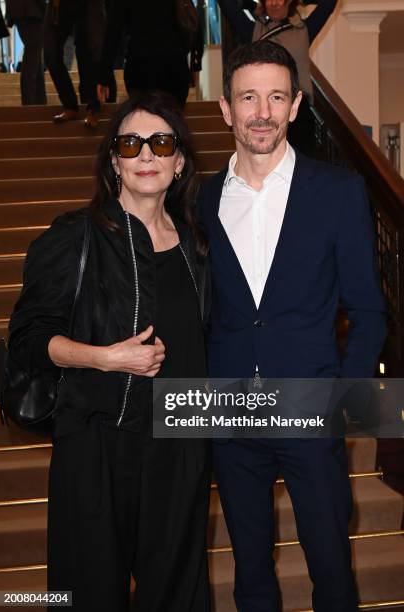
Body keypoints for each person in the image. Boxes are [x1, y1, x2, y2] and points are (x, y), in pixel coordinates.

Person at [196, 40, 386, 611]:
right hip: (231, 417)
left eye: (276, 97)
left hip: (311, 408)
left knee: (331, 565)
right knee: (250, 571)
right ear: (226, 108)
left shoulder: (338, 191)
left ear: (296, 105)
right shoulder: (203, 199)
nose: (263, 111)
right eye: (248, 97)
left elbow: (371, 310)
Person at [8, 91, 211, 611]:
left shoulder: (196, 243)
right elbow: (30, 341)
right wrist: (106, 357)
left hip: (180, 447)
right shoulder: (77, 236)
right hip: (97, 445)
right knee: (86, 594)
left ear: (180, 159)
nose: (146, 154)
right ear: (114, 161)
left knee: (178, 596)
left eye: (160, 142)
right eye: (131, 143)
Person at [217, 0, 337, 154]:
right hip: (265, 109)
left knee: (300, 166)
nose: (273, 3)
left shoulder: (305, 30)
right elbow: (227, 5)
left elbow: (329, 4)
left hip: (299, 114)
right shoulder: (253, 30)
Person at [97, 0, 204, 108]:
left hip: (140, 68)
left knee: (143, 117)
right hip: (174, 67)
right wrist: (195, 64)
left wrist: (104, 74)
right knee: (172, 119)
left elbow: (113, 31)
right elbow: (193, 21)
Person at [43, 0, 105, 126]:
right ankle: (70, 105)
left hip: (88, 4)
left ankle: (93, 108)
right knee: (51, 52)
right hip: (58, 4)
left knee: (89, 49)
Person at [5, 0, 47, 105]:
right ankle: (30, 104)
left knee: (34, 56)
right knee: (33, 54)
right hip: (30, 10)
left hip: (23, 10)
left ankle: (39, 102)